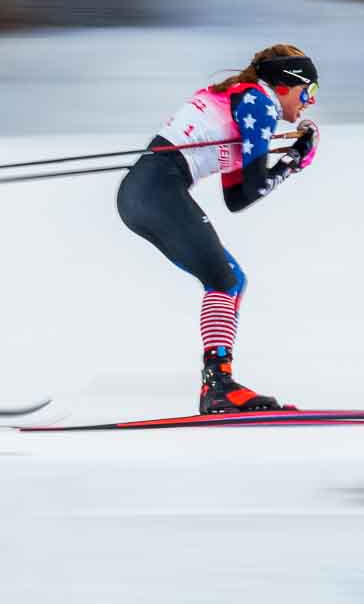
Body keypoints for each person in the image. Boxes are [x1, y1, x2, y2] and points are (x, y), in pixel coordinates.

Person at [116, 44, 320, 414]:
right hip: (157, 191)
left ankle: (218, 383)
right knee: (224, 280)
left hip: (146, 193)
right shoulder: (260, 102)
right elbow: (255, 187)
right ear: (287, 85)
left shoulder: (245, 100)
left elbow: (237, 198)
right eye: (310, 91)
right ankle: (218, 387)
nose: (310, 102)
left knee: (232, 279)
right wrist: (293, 162)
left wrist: (288, 160)